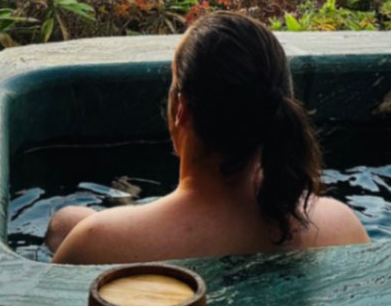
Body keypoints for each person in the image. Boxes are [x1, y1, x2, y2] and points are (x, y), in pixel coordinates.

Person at [48, 13, 369, 263]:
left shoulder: (96, 244)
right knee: (68, 222)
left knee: (65, 224)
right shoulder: (341, 227)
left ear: (181, 111)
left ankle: (128, 204)